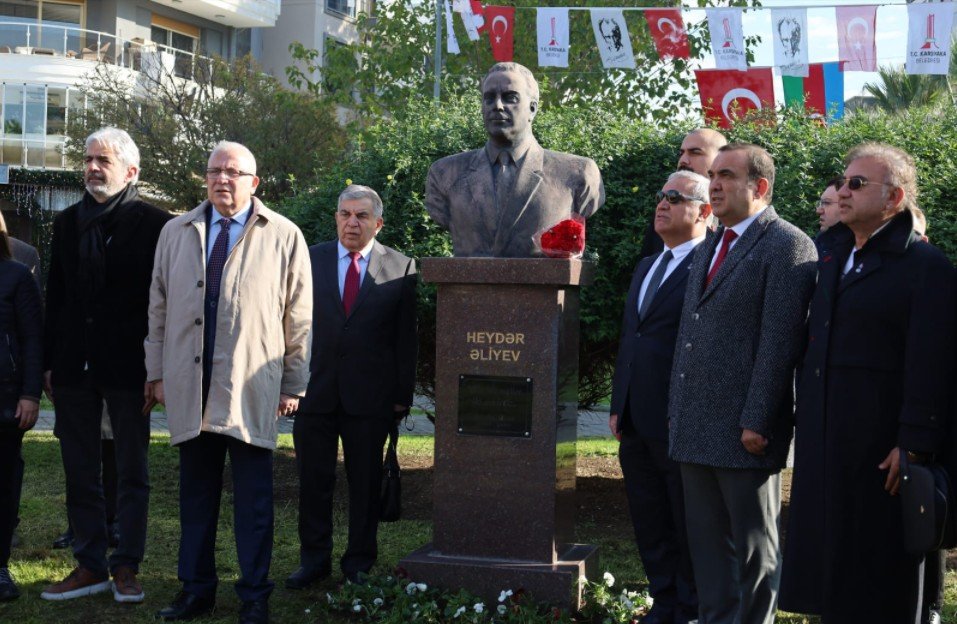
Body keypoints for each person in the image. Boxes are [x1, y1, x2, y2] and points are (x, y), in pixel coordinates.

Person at [779, 143, 956, 623]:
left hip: (883, 450)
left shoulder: (926, 267)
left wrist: (915, 443)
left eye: (858, 184)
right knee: (833, 567)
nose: (843, 190)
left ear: (894, 198)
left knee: (881, 578)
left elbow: (932, 362)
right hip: (826, 440)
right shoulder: (834, 257)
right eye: (844, 181)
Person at [147, 141, 312, 624]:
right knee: (195, 498)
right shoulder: (175, 232)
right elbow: (157, 306)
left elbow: (298, 316)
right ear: (205, 177)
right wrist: (156, 372)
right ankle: (195, 590)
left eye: (234, 172)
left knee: (254, 504)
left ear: (254, 182)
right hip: (189, 386)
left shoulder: (284, 235)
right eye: (215, 170)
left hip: (250, 388)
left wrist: (293, 384)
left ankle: (254, 596)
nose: (223, 179)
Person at [668, 143, 817, 624]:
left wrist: (757, 419)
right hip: (695, 429)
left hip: (744, 432)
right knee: (710, 557)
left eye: (727, 175)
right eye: (712, 174)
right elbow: (691, 334)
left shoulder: (788, 244)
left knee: (753, 556)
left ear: (761, 187)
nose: (713, 184)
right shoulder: (712, 241)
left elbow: (779, 343)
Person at [41, 127, 172, 603]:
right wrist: (52, 361)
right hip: (74, 366)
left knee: (133, 471)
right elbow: (56, 297)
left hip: (130, 368)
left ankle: (126, 567)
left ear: (131, 172)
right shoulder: (67, 222)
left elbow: (166, 302)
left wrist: (157, 369)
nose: (93, 168)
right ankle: (89, 563)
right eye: (89, 159)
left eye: (104, 161)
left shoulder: (158, 225)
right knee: (80, 469)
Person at [286, 185, 417, 589]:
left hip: (370, 399)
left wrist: (401, 396)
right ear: (337, 218)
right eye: (345, 214)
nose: (352, 222)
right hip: (315, 392)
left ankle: (359, 562)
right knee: (313, 483)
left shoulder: (401, 267)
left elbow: (405, 339)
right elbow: (289, 324)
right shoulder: (309, 260)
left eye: (361, 216)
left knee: (364, 485)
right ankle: (314, 560)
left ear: (378, 223)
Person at [609, 171, 712, 624]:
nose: (662, 204)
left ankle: (691, 609)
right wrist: (618, 403)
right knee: (649, 519)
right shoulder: (649, 264)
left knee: (685, 521)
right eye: (661, 196)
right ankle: (664, 602)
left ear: (704, 212)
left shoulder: (711, 263)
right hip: (634, 419)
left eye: (675, 197)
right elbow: (632, 337)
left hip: (679, 419)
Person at [426, 62, 604, 257]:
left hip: (543, 285)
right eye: (489, 98)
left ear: (533, 109)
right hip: (467, 285)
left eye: (510, 97)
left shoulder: (577, 173)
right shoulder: (445, 173)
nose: (498, 105)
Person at [0, 214, 43, 601]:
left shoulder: (17, 275)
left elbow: (32, 341)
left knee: (3, 484)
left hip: (6, 401)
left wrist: (30, 395)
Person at [639, 128, 727, 259]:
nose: (683, 160)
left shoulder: (735, 218)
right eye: (681, 153)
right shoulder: (665, 212)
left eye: (695, 153)